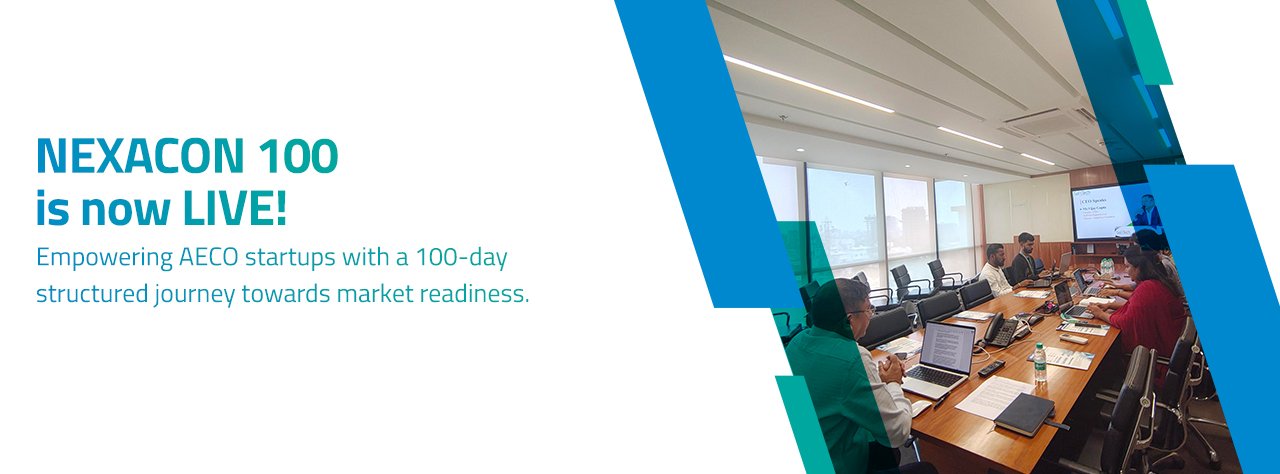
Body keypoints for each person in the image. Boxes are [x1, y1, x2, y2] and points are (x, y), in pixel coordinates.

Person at [785, 279, 915, 473]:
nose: (871, 315)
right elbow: (897, 434)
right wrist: (894, 383)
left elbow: (832, 386)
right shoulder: (854, 359)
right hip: (837, 463)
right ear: (850, 320)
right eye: (868, 309)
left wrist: (874, 380)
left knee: (888, 454)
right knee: (925, 468)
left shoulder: (796, 342)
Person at [1087, 246, 1187, 360]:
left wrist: (1100, 314)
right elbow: (1138, 307)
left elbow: (1126, 322)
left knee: (1105, 347)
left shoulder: (1147, 288)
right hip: (1171, 343)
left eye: (1127, 266)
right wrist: (1109, 305)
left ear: (1139, 268)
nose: (1125, 270)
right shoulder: (1157, 281)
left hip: (1158, 356)